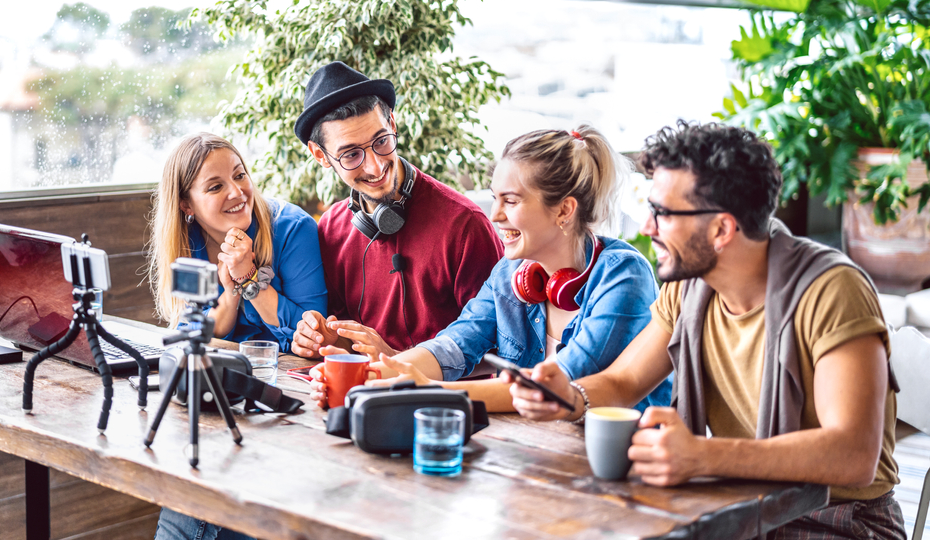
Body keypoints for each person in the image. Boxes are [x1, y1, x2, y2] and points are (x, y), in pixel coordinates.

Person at [508, 121, 904, 539]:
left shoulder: (831, 291)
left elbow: (853, 455)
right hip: (740, 507)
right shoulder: (689, 289)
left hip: (841, 520)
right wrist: (570, 396)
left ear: (721, 230)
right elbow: (623, 380)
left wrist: (701, 456)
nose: (647, 227)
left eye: (662, 213)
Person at [309, 126, 672, 413]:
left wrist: (424, 389)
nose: (495, 216)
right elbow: (456, 344)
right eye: (495, 198)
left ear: (564, 210)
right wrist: (369, 376)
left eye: (510, 201)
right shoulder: (511, 272)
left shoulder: (624, 276)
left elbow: (554, 387)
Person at [148, 133, 328, 540]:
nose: (237, 192)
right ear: (186, 204)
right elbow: (189, 332)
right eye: (215, 187)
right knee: (190, 486)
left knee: (205, 497)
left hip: (285, 406)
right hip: (220, 397)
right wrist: (230, 294)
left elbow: (309, 332)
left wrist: (250, 278)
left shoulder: (291, 229)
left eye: (239, 175)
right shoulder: (187, 242)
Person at [290, 61, 503, 361]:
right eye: (351, 154)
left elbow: (497, 354)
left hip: (442, 403)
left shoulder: (465, 226)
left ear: (392, 123)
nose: (375, 166)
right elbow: (347, 344)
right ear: (320, 155)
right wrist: (321, 340)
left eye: (381, 142)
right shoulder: (331, 229)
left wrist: (395, 359)